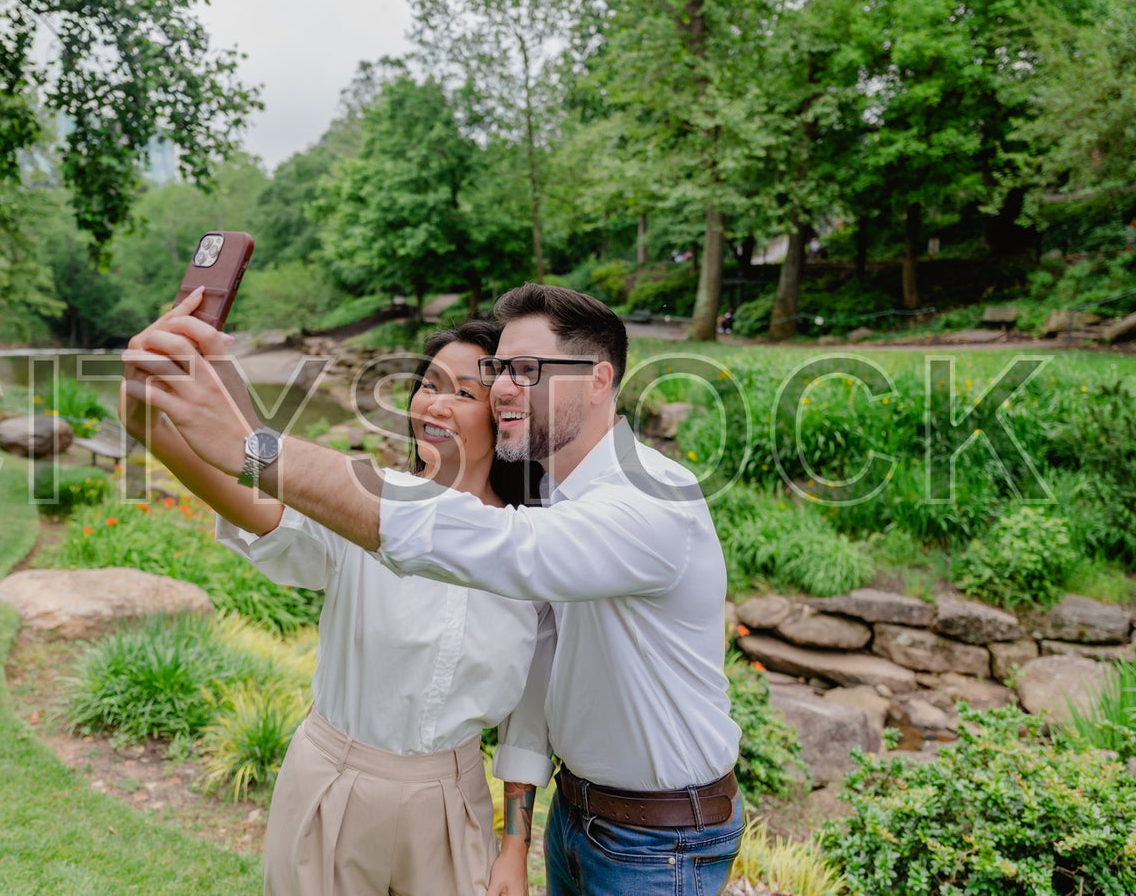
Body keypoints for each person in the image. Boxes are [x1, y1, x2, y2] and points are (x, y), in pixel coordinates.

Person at [125, 283, 743, 896]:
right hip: (565, 822)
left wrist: (250, 447)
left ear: (598, 380)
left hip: (651, 841)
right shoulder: (552, 502)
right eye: (499, 372)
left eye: (521, 371)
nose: (503, 387)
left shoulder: (638, 503)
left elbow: (506, 560)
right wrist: (151, 412)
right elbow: (264, 505)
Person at [122, 303, 547, 896]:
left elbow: (526, 725)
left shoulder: (537, 549)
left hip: (455, 800)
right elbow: (255, 500)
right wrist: (148, 425)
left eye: (465, 393)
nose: (434, 405)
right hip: (332, 782)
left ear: (504, 415)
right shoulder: (363, 502)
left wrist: (514, 851)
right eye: (428, 385)